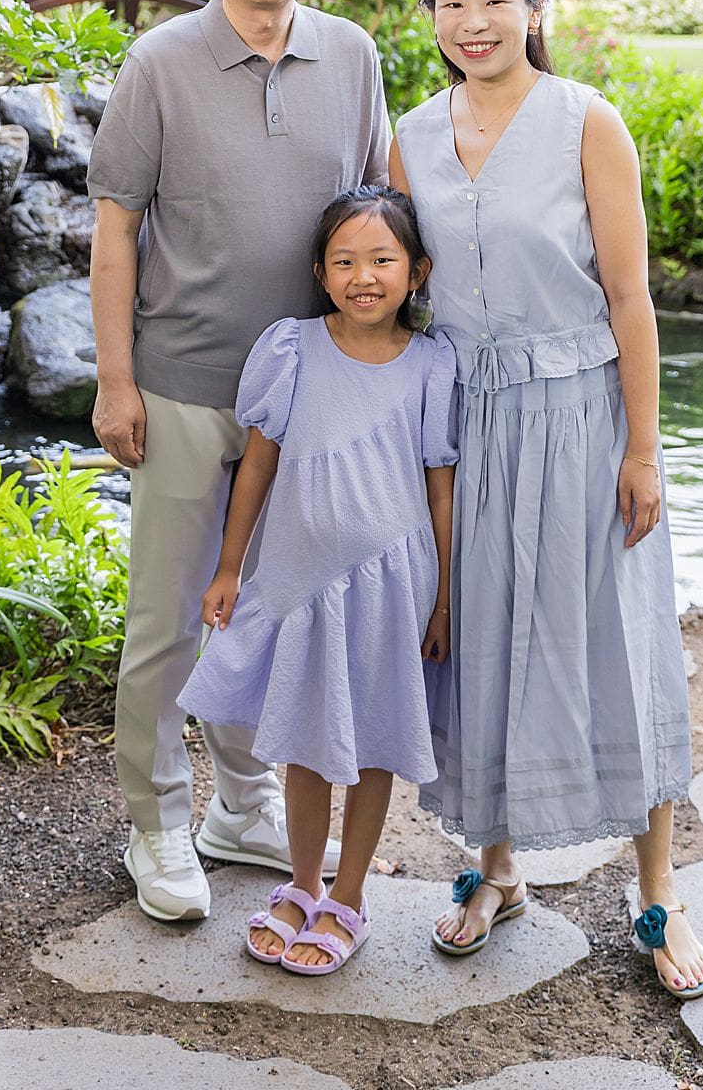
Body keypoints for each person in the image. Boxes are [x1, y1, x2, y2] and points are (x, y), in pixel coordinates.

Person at [390, 0, 703, 1000]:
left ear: (534, 8)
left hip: (581, 418)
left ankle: (658, 894)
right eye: (451, 2)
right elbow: (400, 290)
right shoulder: (410, 135)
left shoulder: (587, 120)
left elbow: (630, 298)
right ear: (429, 15)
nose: (472, 22)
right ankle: (495, 872)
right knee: (476, 639)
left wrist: (644, 449)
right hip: (468, 422)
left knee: (617, 638)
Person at [87, 0, 389, 924]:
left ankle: (243, 803)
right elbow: (115, 233)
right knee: (168, 621)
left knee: (270, 612)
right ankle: (159, 821)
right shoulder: (159, 64)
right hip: (179, 386)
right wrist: (114, 382)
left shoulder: (353, 54)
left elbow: (373, 222)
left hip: (306, 403)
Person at [178, 186, 456, 975]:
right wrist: (231, 568)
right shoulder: (293, 348)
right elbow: (257, 463)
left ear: (417, 271)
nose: (363, 276)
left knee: (372, 742)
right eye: (344, 261)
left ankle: (350, 896)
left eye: (381, 260)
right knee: (305, 740)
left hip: (395, 584)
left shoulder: (434, 365)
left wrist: (445, 597)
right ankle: (301, 886)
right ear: (320, 271)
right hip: (301, 579)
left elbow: (440, 483)